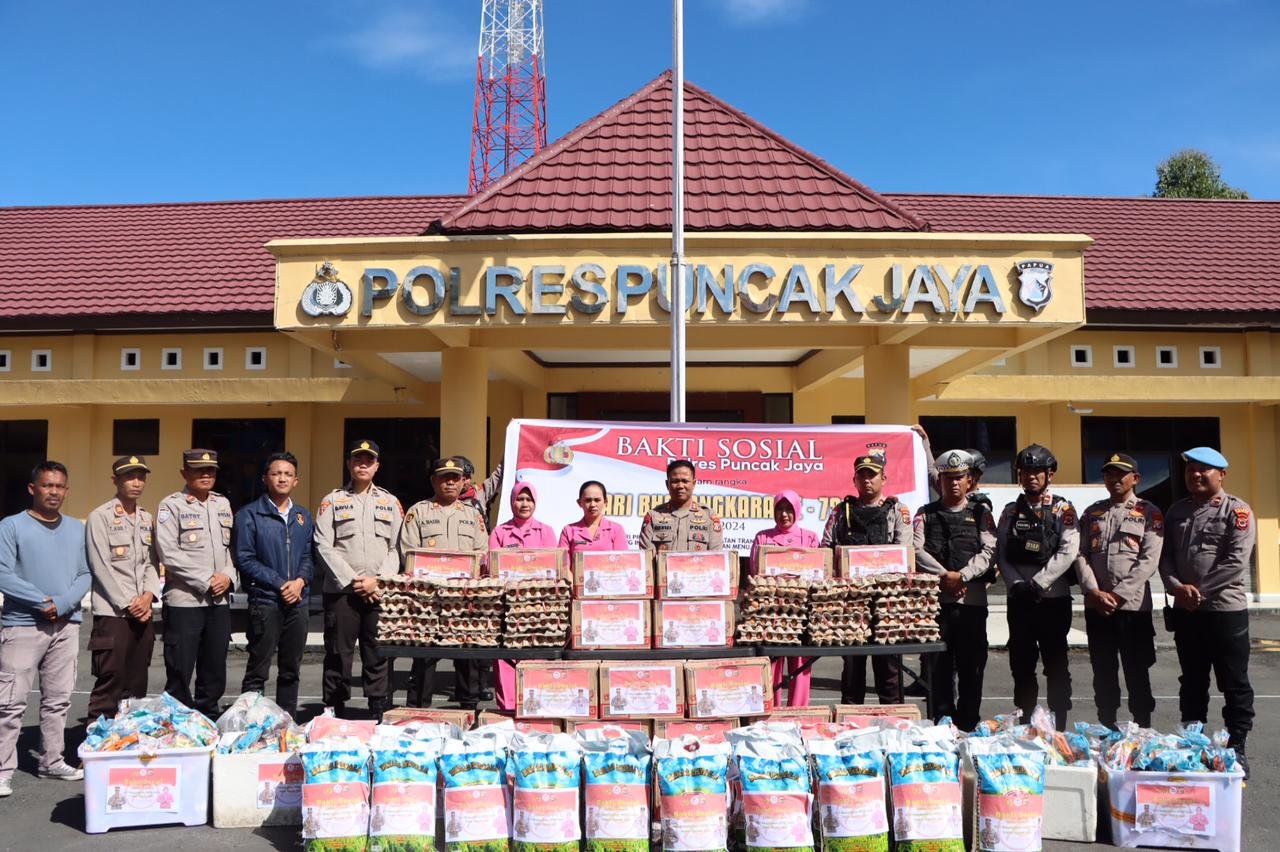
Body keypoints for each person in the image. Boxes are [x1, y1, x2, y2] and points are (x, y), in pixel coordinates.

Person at [1159, 446, 1256, 779]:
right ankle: (1193, 744)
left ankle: (1236, 747)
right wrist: (1176, 587)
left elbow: (1236, 561)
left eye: (1204, 469)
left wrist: (1197, 591)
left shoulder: (1237, 510)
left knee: (1234, 681)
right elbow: (1165, 557)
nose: (1195, 475)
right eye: (1191, 470)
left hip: (1224, 610)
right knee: (1192, 680)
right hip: (1187, 612)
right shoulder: (1177, 511)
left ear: (1221, 474)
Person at [0, 461, 92, 797]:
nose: (54, 492)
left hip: (65, 624)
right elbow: (3, 573)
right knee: (10, 702)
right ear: (32, 488)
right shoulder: (11, 526)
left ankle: (52, 761)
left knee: (58, 700)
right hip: (23, 625)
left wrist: (63, 603)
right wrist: (41, 602)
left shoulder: (76, 529)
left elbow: (85, 573)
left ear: (66, 491)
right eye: (47, 485)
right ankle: (2, 770)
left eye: (60, 487)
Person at [314, 439, 403, 719]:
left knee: (377, 651)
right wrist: (355, 581)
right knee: (338, 652)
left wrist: (379, 580)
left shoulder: (391, 502)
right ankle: (335, 708)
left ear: (377, 466)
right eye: (357, 460)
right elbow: (322, 545)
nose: (363, 465)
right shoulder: (332, 501)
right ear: (348, 464)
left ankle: (377, 707)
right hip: (342, 591)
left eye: (369, 460)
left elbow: (398, 547)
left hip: (378, 590)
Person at [1075, 452, 1162, 730]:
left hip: (1132, 608)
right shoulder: (1092, 513)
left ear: (1135, 478)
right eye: (1109, 473)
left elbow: (1149, 560)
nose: (1114, 479)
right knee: (1103, 672)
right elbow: (1080, 554)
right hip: (1097, 606)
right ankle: (1106, 726)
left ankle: (1142, 728)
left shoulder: (1149, 512)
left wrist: (1118, 595)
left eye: (1120, 474)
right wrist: (1092, 591)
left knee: (1137, 672)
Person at [996, 443, 1079, 730]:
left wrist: (1038, 583)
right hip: (1020, 600)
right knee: (1021, 666)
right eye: (1025, 471)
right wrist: (1017, 584)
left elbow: (1068, 550)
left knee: (1056, 667)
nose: (1031, 476)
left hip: (1052, 600)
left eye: (1037, 471)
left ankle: (1059, 726)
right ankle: (1024, 723)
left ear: (1049, 474)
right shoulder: (1010, 511)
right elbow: (1001, 552)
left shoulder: (1062, 509)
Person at [913, 450, 997, 731]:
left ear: (969, 480)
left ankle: (969, 726)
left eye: (959, 477)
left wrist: (962, 576)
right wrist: (944, 576)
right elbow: (916, 549)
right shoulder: (925, 514)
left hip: (972, 604)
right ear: (940, 481)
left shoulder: (981, 512)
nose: (953, 483)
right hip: (936, 605)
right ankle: (941, 727)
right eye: (948, 478)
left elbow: (990, 551)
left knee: (972, 670)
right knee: (938, 671)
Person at [821, 452, 911, 704]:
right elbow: (825, 549)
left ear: (884, 478)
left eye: (872, 475)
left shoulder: (897, 510)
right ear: (855, 480)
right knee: (852, 670)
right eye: (862, 475)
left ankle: (893, 720)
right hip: (851, 602)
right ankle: (850, 720)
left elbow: (905, 553)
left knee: (889, 670)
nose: (867, 480)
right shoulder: (841, 511)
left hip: (887, 601)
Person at [398, 457, 488, 708]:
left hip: (464, 599)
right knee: (424, 657)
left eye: (455, 478)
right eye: (444, 478)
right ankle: (418, 711)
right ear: (433, 481)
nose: (450, 483)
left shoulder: (473, 515)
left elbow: (482, 552)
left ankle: (469, 711)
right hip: (428, 600)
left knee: (467, 657)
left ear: (462, 482)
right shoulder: (418, 512)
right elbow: (408, 552)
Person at [154, 449, 236, 717]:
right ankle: (177, 722)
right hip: (185, 601)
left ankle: (209, 719)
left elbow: (229, 549)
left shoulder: (222, 503)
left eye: (210, 470)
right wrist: (206, 580)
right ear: (184, 473)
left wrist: (228, 576)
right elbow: (168, 552)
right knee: (180, 669)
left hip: (218, 600)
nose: (205, 474)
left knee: (214, 669)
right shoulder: (171, 506)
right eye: (198, 470)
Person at [233, 451, 314, 718]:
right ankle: (252, 723)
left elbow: (308, 556)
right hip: (266, 601)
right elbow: (245, 559)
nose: (282, 478)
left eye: (288, 474)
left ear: (296, 480)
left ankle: (286, 722)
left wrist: (300, 582)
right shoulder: (249, 515)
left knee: (291, 669)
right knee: (258, 668)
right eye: (276, 473)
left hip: (297, 602)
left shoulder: (303, 516)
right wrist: (281, 583)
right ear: (265, 478)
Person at [85, 455, 161, 719]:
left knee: (137, 682)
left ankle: (128, 737)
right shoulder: (100, 516)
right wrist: (130, 603)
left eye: (141, 477)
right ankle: (96, 738)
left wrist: (148, 596)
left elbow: (152, 562)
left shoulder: (146, 518)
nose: (136, 483)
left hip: (143, 611)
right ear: (115, 480)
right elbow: (100, 566)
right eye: (129, 477)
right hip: (113, 612)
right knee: (110, 680)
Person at [488, 480, 558, 710]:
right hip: (506, 607)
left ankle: (535, 709)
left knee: (535, 655)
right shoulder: (499, 532)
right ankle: (508, 710)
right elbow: (492, 567)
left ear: (535, 503)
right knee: (505, 658)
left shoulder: (546, 532)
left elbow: (554, 567)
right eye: (519, 499)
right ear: (512, 502)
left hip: (537, 607)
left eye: (529, 499)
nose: (524, 503)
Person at [750, 489, 819, 707]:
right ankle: (771, 713)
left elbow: (818, 575)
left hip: (801, 613)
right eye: (779, 509)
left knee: (800, 664)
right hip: (770, 613)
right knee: (771, 666)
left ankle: (798, 713)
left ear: (797, 510)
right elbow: (755, 572)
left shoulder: (810, 537)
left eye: (789, 509)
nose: (784, 514)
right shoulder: (763, 537)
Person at [638, 460, 723, 555]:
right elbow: (647, 557)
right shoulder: (653, 516)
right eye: (675, 481)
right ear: (667, 484)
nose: (680, 486)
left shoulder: (708, 516)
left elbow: (716, 557)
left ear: (694, 483)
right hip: (662, 566)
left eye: (685, 481)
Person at [558, 481, 629, 556]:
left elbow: (622, 561)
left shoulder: (616, 529)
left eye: (597, 500)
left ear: (605, 502)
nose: (592, 504)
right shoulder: (568, 530)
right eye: (588, 500)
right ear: (579, 503)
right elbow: (563, 562)